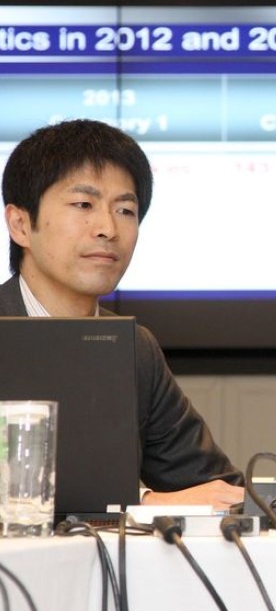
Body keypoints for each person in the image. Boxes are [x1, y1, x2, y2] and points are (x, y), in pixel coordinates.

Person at [1, 118, 244, 510]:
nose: (107, 228)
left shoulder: (134, 347)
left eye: (126, 210)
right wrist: (142, 501)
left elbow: (211, 486)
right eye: (83, 205)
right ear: (20, 224)